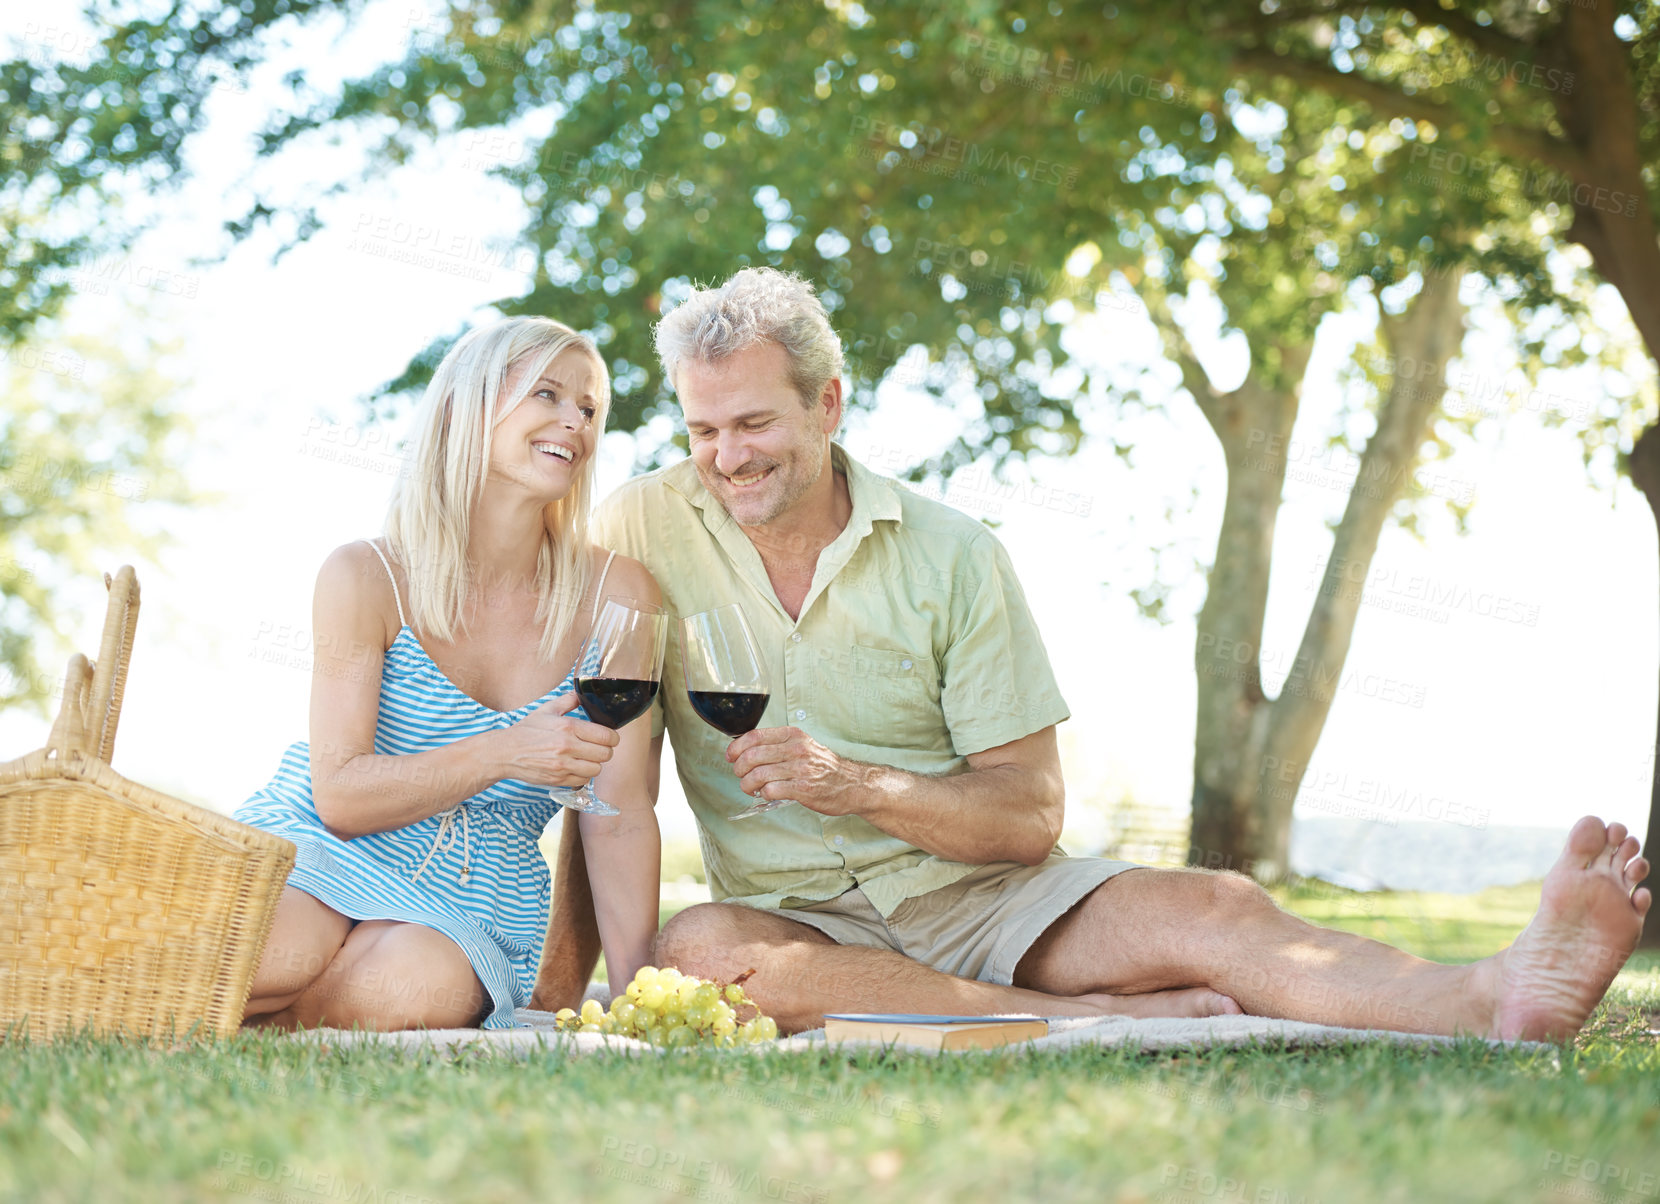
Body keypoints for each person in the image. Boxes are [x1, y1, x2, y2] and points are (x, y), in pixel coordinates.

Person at [568, 266, 1652, 1042]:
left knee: (1216, 909)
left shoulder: (953, 555)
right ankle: (1076, 1020)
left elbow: (1028, 814)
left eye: (753, 424)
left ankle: (1495, 993)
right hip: (789, 916)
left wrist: (856, 785)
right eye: (702, 431)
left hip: (983, 899)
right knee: (698, 952)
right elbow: (590, 734)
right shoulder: (639, 525)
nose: (725, 457)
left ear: (829, 403)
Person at [235, 317, 662, 1031]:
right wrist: (507, 751)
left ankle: (243, 1025)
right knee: (273, 951)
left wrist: (640, 1001)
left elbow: (617, 819)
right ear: (465, 409)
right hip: (327, 845)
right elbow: (339, 794)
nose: (575, 422)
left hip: (471, 895)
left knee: (412, 986)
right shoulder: (366, 574)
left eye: (589, 408)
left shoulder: (618, 596)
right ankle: (245, 997)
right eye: (547, 395)